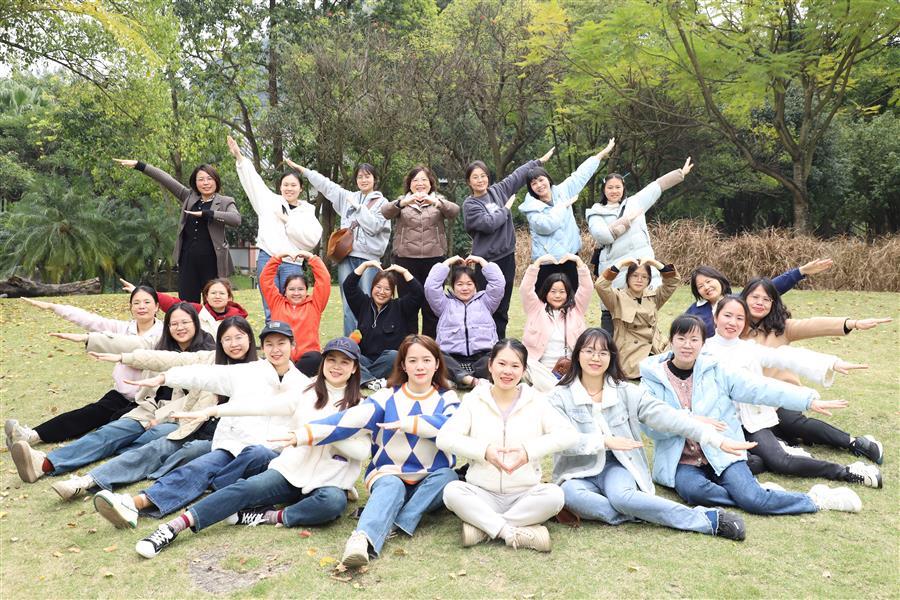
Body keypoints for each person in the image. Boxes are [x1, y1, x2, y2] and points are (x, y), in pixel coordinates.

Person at [132, 337, 370, 559]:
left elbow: (362, 451)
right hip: (291, 471)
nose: (336, 366)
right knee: (245, 489)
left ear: (354, 368)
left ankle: (269, 516)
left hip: (328, 481)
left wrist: (318, 432)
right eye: (331, 359)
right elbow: (261, 406)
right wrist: (212, 411)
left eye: (344, 362)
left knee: (333, 503)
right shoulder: (306, 392)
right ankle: (173, 527)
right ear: (323, 362)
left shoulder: (361, 407)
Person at [641, 315, 863, 516]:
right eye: (681, 339)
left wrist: (807, 400)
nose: (687, 345)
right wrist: (691, 419)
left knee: (754, 502)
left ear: (702, 344)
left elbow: (759, 388)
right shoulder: (653, 378)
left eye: (694, 340)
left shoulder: (716, 370)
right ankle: (760, 493)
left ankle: (814, 499)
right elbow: (651, 427)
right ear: (671, 341)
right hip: (681, 460)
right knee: (695, 492)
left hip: (724, 451)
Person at [91, 321, 305, 529]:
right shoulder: (248, 372)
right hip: (234, 446)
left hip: (270, 457)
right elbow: (204, 374)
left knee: (254, 454)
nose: (275, 350)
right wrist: (164, 378)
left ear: (292, 345)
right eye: (269, 344)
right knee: (196, 468)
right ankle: (134, 504)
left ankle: (210, 490)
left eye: (281, 343)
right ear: (262, 347)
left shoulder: (304, 385)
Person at [548, 328, 752, 540]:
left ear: (611, 357)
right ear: (578, 354)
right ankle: (642, 512)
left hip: (617, 465)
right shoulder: (558, 396)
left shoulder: (625, 391)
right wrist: (604, 441)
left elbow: (667, 416)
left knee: (622, 498)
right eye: (589, 351)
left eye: (603, 352)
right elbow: (561, 440)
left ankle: (707, 520)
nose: (595, 358)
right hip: (578, 471)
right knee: (569, 495)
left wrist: (714, 438)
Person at [284, 335, 460, 568]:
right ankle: (361, 541)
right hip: (389, 474)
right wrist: (304, 434)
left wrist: (411, 424)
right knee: (391, 485)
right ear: (403, 365)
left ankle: (395, 521)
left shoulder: (447, 397)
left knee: (449, 476)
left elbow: (452, 427)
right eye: (413, 360)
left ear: (437, 364)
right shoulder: (386, 397)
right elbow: (348, 420)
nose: (420, 366)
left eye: (426, 360)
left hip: (430, 480)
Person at [49, 317, 258, 501]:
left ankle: (147, 489)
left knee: (189, 452)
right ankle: (87, 481)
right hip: (195, 425)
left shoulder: (261, 370)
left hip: (225, 440)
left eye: (239, 337)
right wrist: (124, 358)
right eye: (227, 339)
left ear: (249, 338)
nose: (234, 344)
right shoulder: (210, 360)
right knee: (156, 448)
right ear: (220, 342)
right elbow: (168, 359)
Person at [10, 303, 214, 483]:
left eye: (185, 322)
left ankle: (99, 468)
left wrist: (160, 418)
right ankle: (45, 464)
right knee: (109, 433)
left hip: (179, 418)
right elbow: (130, 344)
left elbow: (197, 399)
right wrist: (88, 338)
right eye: (174, 324)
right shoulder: (161, 345)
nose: (179, 328)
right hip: (149, 409)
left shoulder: (208, 354)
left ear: (196, 323)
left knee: (144, 443)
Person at [704, 296, 881, 488]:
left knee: (780, 462)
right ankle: (778, 448)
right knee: (751, 464)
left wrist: (832, 363)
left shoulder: (748, 349)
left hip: (751, 422)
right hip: (721, 426)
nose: (733, 322)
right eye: (727, 316)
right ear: (715, 318)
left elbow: (784, 357)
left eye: (739, 318)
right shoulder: (703, 351)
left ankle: (847, 471)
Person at [437, 339, 576, 552]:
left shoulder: (537, 401)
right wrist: (484, 451)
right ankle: (509, 531)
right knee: (452, 491)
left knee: (555, 495)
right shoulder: (474, 400)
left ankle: (484, 528)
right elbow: (445, 438)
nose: (507, 371)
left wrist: (528, 452)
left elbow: (568, 435)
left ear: (524, 370)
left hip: (525, 493)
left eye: (515, 365)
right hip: (482, 492)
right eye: (501, 364)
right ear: (490, 365)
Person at [740, 277, 891, 464]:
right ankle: (797, 438)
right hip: (751, 401)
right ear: (744, 298)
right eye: (755, 297)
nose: (760, 303)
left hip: (785, 397)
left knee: (789, 422)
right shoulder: (734, 328)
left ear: (773, 303)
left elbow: (813, 325)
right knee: (766, 430)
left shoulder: (781, 328)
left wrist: (851, 323)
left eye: (766, 299)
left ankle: (856, 442)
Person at [6, 288, 163, 447]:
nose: (141, 306)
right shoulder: (123, 328)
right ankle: (31, 435)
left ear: (157, 306)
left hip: (148, 401)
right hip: (122, 395)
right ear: (130, 307)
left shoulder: (164, 333)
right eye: (136, 303)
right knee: (88, 414)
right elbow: (90, 320)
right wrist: (53, 307)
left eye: (147, 302)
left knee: (114, 425)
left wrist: (88, 339)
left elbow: (142, 348)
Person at [586, 157, 693, 332]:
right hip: (616, 266)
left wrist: (680, 173)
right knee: (613, 311)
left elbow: (657, 186)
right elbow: (603, 236)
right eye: (610, 187)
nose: (614, 191)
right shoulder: (596, 211)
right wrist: (627, 221)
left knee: (644, 311)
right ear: (604, 190)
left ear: (623, 188)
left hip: (641, 267)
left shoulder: (635, 202)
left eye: (618, 187)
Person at [285, 157, 390, 335]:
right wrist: (303, 170)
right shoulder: (347, 197)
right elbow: (326, 185)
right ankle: (349, 343)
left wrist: (359, 208)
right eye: (360, 176)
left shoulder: (383, 203)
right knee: (348, 303)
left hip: (369, 259)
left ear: (375, 179)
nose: (363, 180)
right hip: (346, 256)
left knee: (368, 301)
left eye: (367, 176)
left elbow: (374, 227)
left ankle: (368, 342)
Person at [113, 159, 241, 302]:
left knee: (213, 304)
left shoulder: (225, 201)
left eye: (209, 179)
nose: (205, 183)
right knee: (187, 304)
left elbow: (236, 219)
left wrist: (208, 214)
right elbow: (165, 179)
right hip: (188, 261)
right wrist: (140, 165)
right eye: (201, 179)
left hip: (213, 262)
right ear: (195, 182)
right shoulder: (188, 197)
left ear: (216, 181)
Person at [226, 135, 322, 321]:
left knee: (292, 304)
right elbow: (254, 182)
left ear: (301, 189)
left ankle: (292, 336)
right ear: (280, 187)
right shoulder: (269, 202)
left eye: (293, 185)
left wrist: (288, 222)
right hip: (267, 258)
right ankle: (272, 334)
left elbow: (311, 239)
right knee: (270, 303)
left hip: (292, 262)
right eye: (285, 185)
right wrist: (239, 156)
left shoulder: (307, 211)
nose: (289, 188)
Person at [462, 147, 555, 338]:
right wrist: (506, 209)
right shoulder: (470, 205)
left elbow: (517, 176)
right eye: (475, 177)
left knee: (503, 306)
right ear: (469, 182)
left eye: (483, 176)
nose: (480, 180)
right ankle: (483, 344)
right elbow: (489, 224)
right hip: (486, 261)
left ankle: (500, 344)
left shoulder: (498, 190)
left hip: (507, 257)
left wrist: (538, 161)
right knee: (487, 305)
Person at [519, 139, 615, 292]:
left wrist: (601, 154)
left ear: (548, 179)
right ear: (530, 188)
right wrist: (563, 206)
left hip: (570, 258)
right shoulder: (531, 207)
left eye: (541, 180)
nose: (539, 185)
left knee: (572, 299)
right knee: (547, 301)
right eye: (534, 183)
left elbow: (580, 175)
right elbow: (546, 226)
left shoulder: (563, 191)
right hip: (547, 262)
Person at [381, 165, 460, 337]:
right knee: (408, 304)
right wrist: (403, 203)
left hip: (434, 258)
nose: (420, 183)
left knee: (431, 304)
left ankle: (430, 344)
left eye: (424, 180)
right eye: (415, 180)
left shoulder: (438, 200)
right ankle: (409, 344)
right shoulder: (402, 201)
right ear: (409, 184)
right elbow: (385, 212)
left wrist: (436, 202)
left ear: (431, 183)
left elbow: (454, 211)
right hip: (405, 260)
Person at [685, 259, 834, 337]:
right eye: (700, 286)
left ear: (718, 279)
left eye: (709, 281)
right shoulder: (694, 311)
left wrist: (801, 271)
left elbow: (771, 287)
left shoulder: (737, 300)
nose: (706, 287)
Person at [342, 261, 424, 388]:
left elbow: (418, 294)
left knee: (394, 356)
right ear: (372, 287)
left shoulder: (400, 307)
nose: (381, 292)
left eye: (387, 289)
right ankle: (371, 381)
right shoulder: (363, 304)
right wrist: (365, 265)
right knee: (349, 355)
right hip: (366, 360)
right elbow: (348, 286)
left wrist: (404, 271)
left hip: (388, 362)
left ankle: (361, 377)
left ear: (392, 292)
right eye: (378, 287)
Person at [425, 255, 504, 387]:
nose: (465, 288)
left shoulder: (486, 302)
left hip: (482, 358)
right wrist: (447, 262)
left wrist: (481, 261)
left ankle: (460, 378)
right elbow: (430, 287)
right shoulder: (444, 304)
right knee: (435, 355)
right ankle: (467, 379)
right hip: (452, 358)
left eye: (469, 284)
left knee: (498, 356)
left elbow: (498, 284)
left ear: (475, 286)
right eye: (459, 284)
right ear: (453, 286)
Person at [595, 257, 678, 380]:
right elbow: (600, 285)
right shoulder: (616, 298)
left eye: (644, 277)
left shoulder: (654, 297)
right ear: (628, 277)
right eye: (635, 275)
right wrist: (620, 264)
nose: (639, 280)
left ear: (649, 280)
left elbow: (672, 282)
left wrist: (655, 263)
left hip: (656, 347)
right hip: (631, 353)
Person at [520, 254, 593, 392]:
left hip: (570, 368)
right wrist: (537, 263)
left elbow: (587, 288)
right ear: (546, 292)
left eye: (562, 292)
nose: (557, 295)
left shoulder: (576, 309)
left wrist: (578, 262)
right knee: (525, 364)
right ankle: (559, 390)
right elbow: (526, 289)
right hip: (538, 369)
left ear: (568, 293)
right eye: (553, 291)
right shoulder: (535, 308)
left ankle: (553, 390)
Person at [259, 250, 330, 376]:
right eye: (291, 289)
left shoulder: (315, 304)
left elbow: (324, 280)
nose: (296, 293)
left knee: (316, 358)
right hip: (282, 357)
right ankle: (286, 377)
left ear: (306, 291)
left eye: (300, 289)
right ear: (285, 291)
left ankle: (289, 377)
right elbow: (265, 280)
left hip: (306, 359)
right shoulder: (277, 303)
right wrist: (277, 258)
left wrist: (312, 258)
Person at [120, 277, 247, 336]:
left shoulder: (237, 318)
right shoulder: (198, 310)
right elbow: (172, 303)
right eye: (213, 293)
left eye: (222, 293)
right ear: (206, 297)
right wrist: (140, 292)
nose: (217, 296)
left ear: (229, 297)